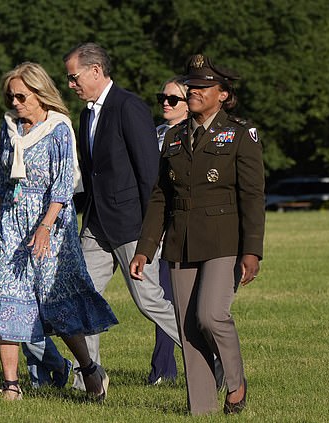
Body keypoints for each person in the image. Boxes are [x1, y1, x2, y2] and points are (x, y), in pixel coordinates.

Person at [130, 54, 264, 415]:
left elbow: (253, 196)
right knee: (188, 328)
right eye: (192, 85)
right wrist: (145, 249)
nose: (194, 91)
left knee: (210, 315)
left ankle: (235, 383)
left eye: (203, 86)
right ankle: (201, 409)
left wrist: (252, 251)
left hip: (224, 241)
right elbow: (160, 197)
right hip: (180, 240)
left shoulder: (239, 135)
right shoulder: (173, 138)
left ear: (222, 94)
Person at [0, 62, 118, 401]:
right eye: (10, 96)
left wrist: (44, 228)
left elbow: (61, 188)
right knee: (6, 297)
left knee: (57, 305)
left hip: (52, 225)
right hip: (13, 223)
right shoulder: (10, 128)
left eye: (21, 96)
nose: (15, 103)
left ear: (40, 94)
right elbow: (2, 182)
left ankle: (88, 369)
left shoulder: (58, 129)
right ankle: (11, 385)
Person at [63, 42, 181, 390]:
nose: (71, 84)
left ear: (95, 70)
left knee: (148, 301)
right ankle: (89, 378)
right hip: (96, 224)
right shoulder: (86, 114)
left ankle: (209, 353)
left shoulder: (129, 107)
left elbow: (149, 173)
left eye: (74, 77)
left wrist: (152, 231)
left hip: (133, 224)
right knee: (82, 297)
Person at [147, 76, 190, 385]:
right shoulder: (156, 134)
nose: (165, 102)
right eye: (162, 96)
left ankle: (170, 367)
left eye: (173, 99)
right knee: (163, 299)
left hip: (183, 229)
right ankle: (163, 368)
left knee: (188, 305)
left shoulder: (191, 137)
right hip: (156, 229)